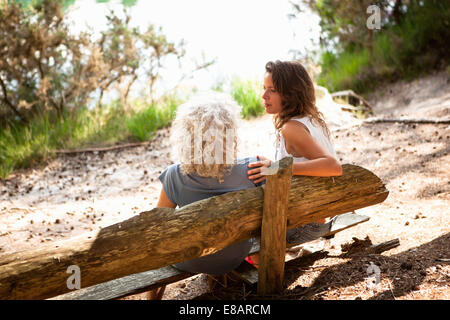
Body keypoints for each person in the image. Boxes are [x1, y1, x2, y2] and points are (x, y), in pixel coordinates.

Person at [148, 92, 261, 299]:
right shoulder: (253, 168)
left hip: (192, 259)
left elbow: (159, 229)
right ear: (230, 134)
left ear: (187, 136)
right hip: (236, 254)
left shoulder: (174, 175)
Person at [246, 60, 343, 267]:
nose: (264, 96)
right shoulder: (312, 118)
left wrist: (277, 169)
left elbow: (333, 166)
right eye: (264, 89)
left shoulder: (291, 128)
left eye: (272, 90)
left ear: (290, 93)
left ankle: (265, 274)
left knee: (240, 235)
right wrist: (273, 166)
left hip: (308, 225)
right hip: (321, 218)